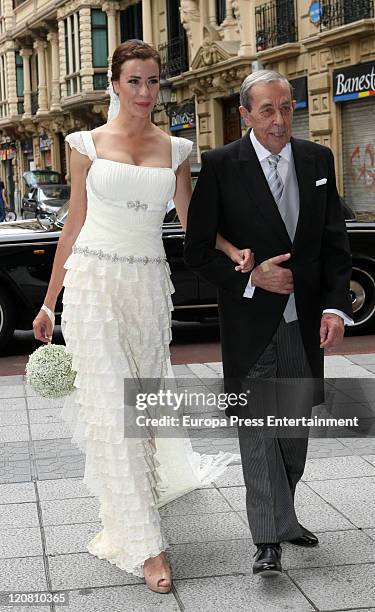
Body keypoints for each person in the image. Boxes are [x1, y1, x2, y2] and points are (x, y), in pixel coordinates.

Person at [32, 40, 253, 594]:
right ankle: (147, 544)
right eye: (134, 80)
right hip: (92, 285)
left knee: (140, 411)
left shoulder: (176, 149)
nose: (145, 91)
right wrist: (48, 301)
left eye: (153, 81)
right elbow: (73, 224)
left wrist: (231, 251)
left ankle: (129, 508)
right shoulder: (86, 144)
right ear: (115, 84)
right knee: (112, 407)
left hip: (148, 287)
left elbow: (189, 219)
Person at [184, 70, 353, 577]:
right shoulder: (218, 166)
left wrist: (334, 307)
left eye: (287, 108)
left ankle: (284, 516)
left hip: (304, 325)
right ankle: (267, 540)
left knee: (292, 437)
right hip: (250, 324)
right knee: (257, 433)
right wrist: (252, 277)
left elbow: (334, 245)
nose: (280, 120)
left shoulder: (317, 160)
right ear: (245, 114)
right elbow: (197, 251)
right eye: (267, 111)